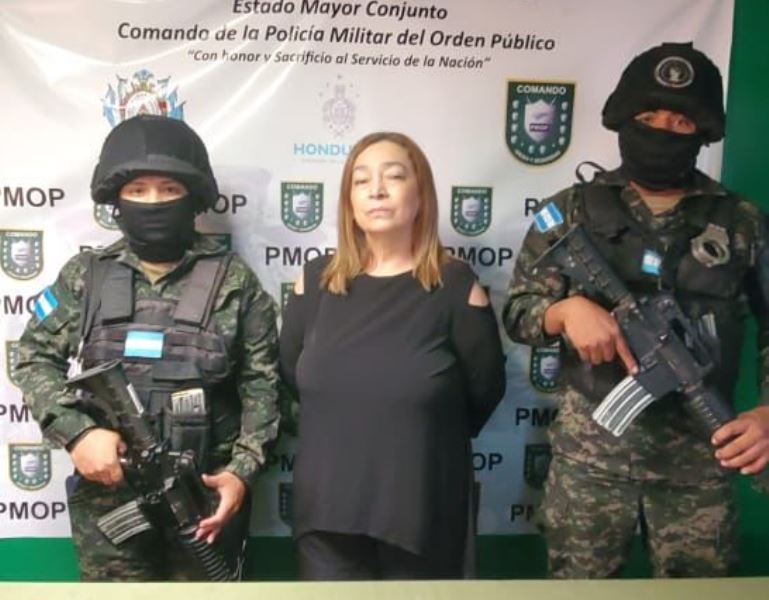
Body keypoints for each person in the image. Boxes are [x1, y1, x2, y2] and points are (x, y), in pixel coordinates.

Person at [503, 42, 769, 578]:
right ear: (624, 119)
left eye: (680, 122)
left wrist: (767, 412)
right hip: (590, 464)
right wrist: (565, 311)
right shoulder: (571, 212)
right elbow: (518, 312)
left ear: (702, 132)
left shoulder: (741, 222)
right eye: (648, 118)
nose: (662, 132)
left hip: (699, 465)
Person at [15, 114, 280, 581]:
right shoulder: (87, 275)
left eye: (168, 189)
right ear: (116, 200)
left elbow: (264, 388)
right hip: (109, 503)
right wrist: (78, 433)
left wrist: (240, 473)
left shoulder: (234, 280)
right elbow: (32, 358)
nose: (153, 201)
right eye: (138, 190)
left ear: (193, 196)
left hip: (204, 499)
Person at [279, 132, 506, 580]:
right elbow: (291, 374)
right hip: (326, 517)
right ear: (349, 202)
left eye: (394, 177)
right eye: (361, 181)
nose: (377, 190)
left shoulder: (456, 287)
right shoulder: (314, 282)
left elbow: (484, 391)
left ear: (421, 195)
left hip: (421, 514)